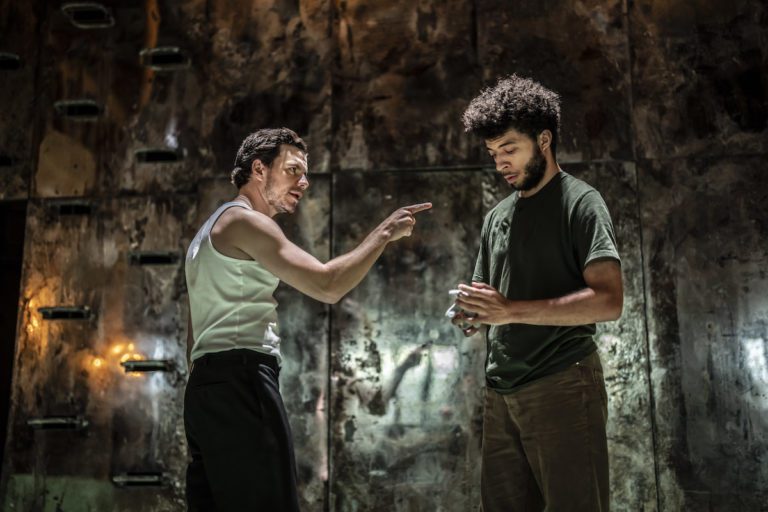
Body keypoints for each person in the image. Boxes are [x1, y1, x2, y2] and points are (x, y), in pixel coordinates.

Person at [183, 127, 431, 511]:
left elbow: (192, 332)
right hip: (242, 380)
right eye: (293, 170)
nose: (304, 182)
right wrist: (384, 233)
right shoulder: (246, 222)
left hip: (204, 388)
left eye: (305, 172)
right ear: (259, 169)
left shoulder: (208, 230)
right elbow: (328, 284)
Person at [452, 75, 623, 512]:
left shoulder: (582, 203)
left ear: (543, 139)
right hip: (501, 389)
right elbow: (488, 300)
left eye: (510, 149)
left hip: (564, 381)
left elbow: (609, 300)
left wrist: (508, 310)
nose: (500, 164)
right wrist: (470, 312)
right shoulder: (497, 217)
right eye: (493, 154)